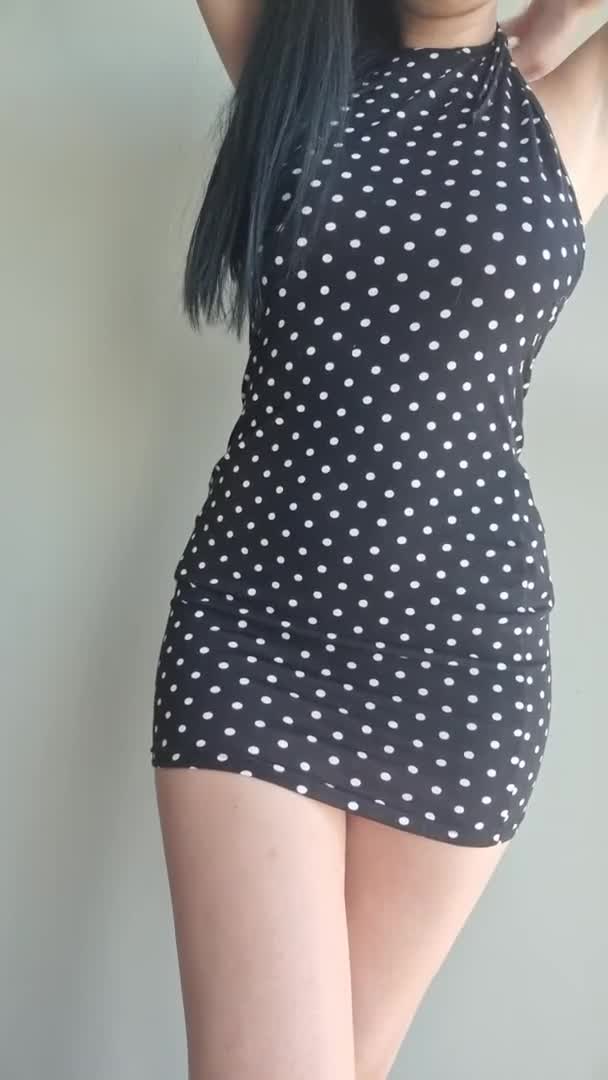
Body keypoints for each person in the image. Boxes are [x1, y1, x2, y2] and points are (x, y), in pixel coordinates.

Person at [150, 2, 606, 1077]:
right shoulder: (288, 72)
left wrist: (547, 29)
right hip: (254, 641)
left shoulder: (564, 111)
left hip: (462, 671)